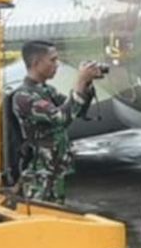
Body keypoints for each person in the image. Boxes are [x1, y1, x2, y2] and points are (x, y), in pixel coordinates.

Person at [11, 41, 105, 203]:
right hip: (39, 175)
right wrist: (80, 81)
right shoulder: (24, 96)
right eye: (52, 60)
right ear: (36, 63)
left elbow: (76, 111)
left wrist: (87, 85)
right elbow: (61, 117)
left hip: (54, 171)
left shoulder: (46, 91)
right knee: (41, 220)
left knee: (56, 215)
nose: (57, 65)